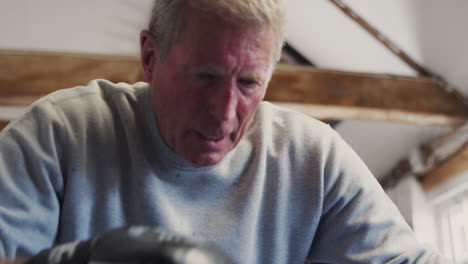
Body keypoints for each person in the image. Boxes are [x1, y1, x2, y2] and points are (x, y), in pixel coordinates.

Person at [0, 0, 441, 263]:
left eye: (249, 83)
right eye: (204, 77)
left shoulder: (313, 160)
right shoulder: (60, 133)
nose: (223, 114)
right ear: (150, 57)